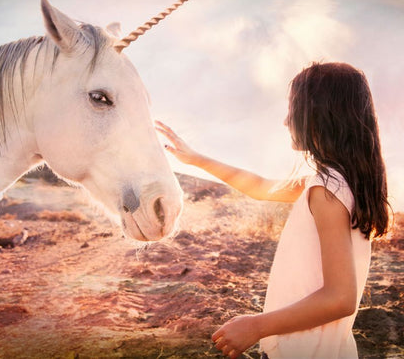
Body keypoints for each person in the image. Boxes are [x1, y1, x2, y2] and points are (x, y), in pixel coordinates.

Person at [155, 62, 391, 358]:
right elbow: (260, 187)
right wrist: (195, 158)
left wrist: (256, 326)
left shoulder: (327, 191)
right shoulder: (340, 183)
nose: (285, 121)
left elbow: (341, 298)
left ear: (319, 115)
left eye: (293, 108)